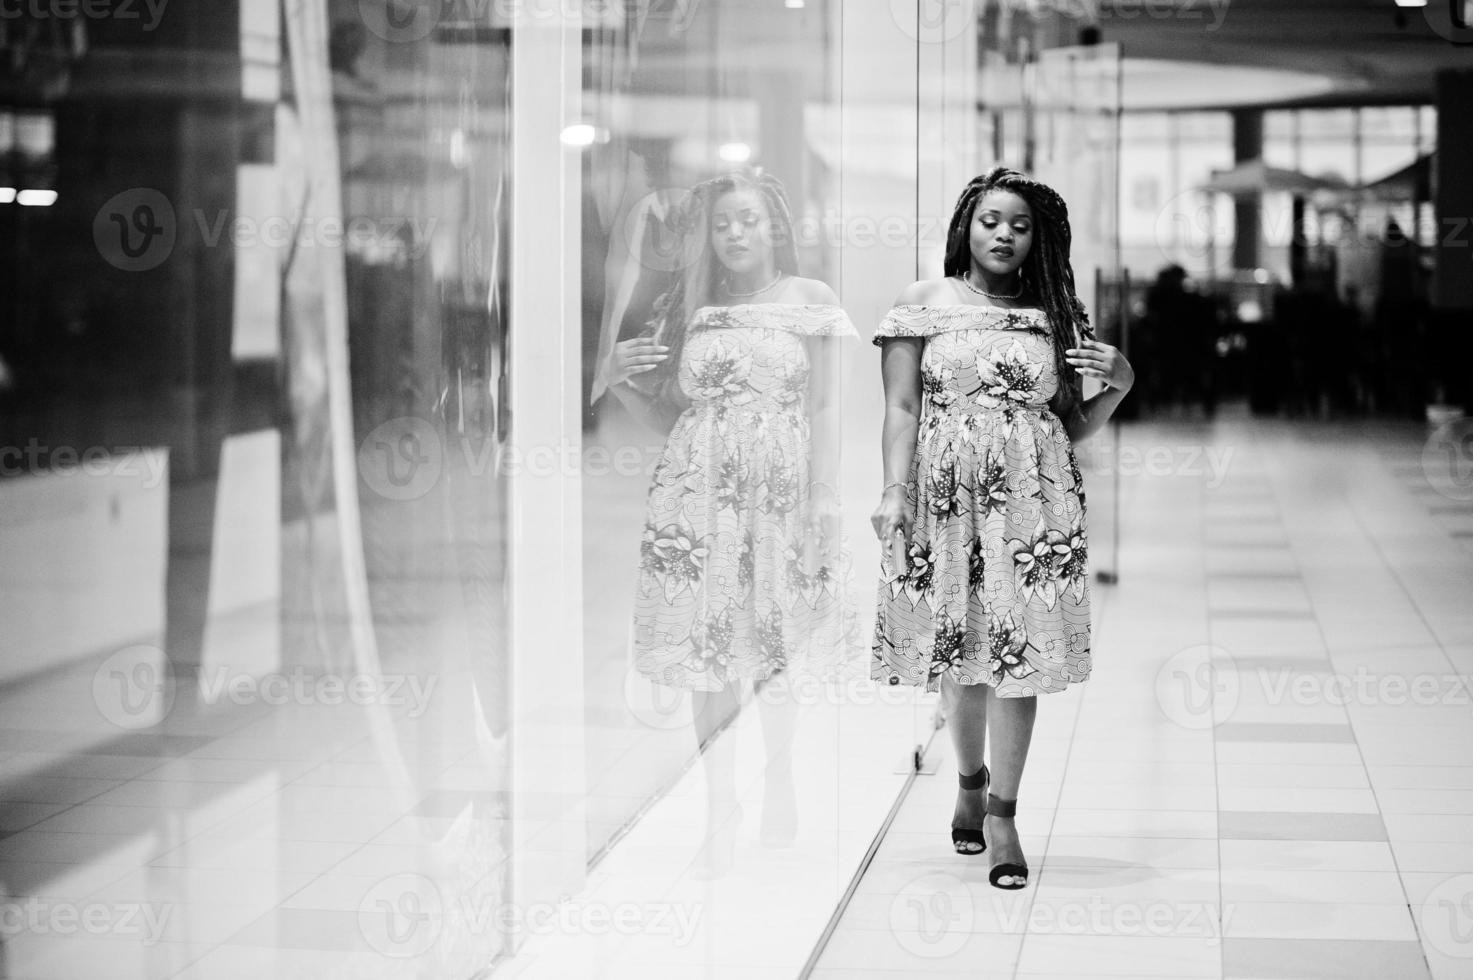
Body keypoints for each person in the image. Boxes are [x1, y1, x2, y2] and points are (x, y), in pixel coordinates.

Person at [870, 167, 1134, 889]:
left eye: (1019, 225)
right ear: (965, 224)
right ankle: (967, 778)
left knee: (1021, 662)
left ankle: (1004, 815)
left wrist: (1120, 383)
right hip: (946, 500)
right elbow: (899, 411)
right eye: (991, 220)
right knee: (959, 658)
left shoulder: (1056, 315)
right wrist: (893, 493)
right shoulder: (923, 303)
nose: (1004, 235)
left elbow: (1072, 425)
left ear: (1038, 239)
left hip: (1033, 508)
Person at [603, 167, 857, 873]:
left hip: (778, 491)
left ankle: (777, 783)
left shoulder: (809, 300)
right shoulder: (691, 307)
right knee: (708, 652)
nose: (735, 233)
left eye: (748, 219)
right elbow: (668, 415)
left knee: (773, 652)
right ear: (706, 238)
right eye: (721, 224)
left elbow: (828, 407)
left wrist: (824, 497)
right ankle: (718, 803)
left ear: (774, 225)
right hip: (695, 495)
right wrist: (619, 377)